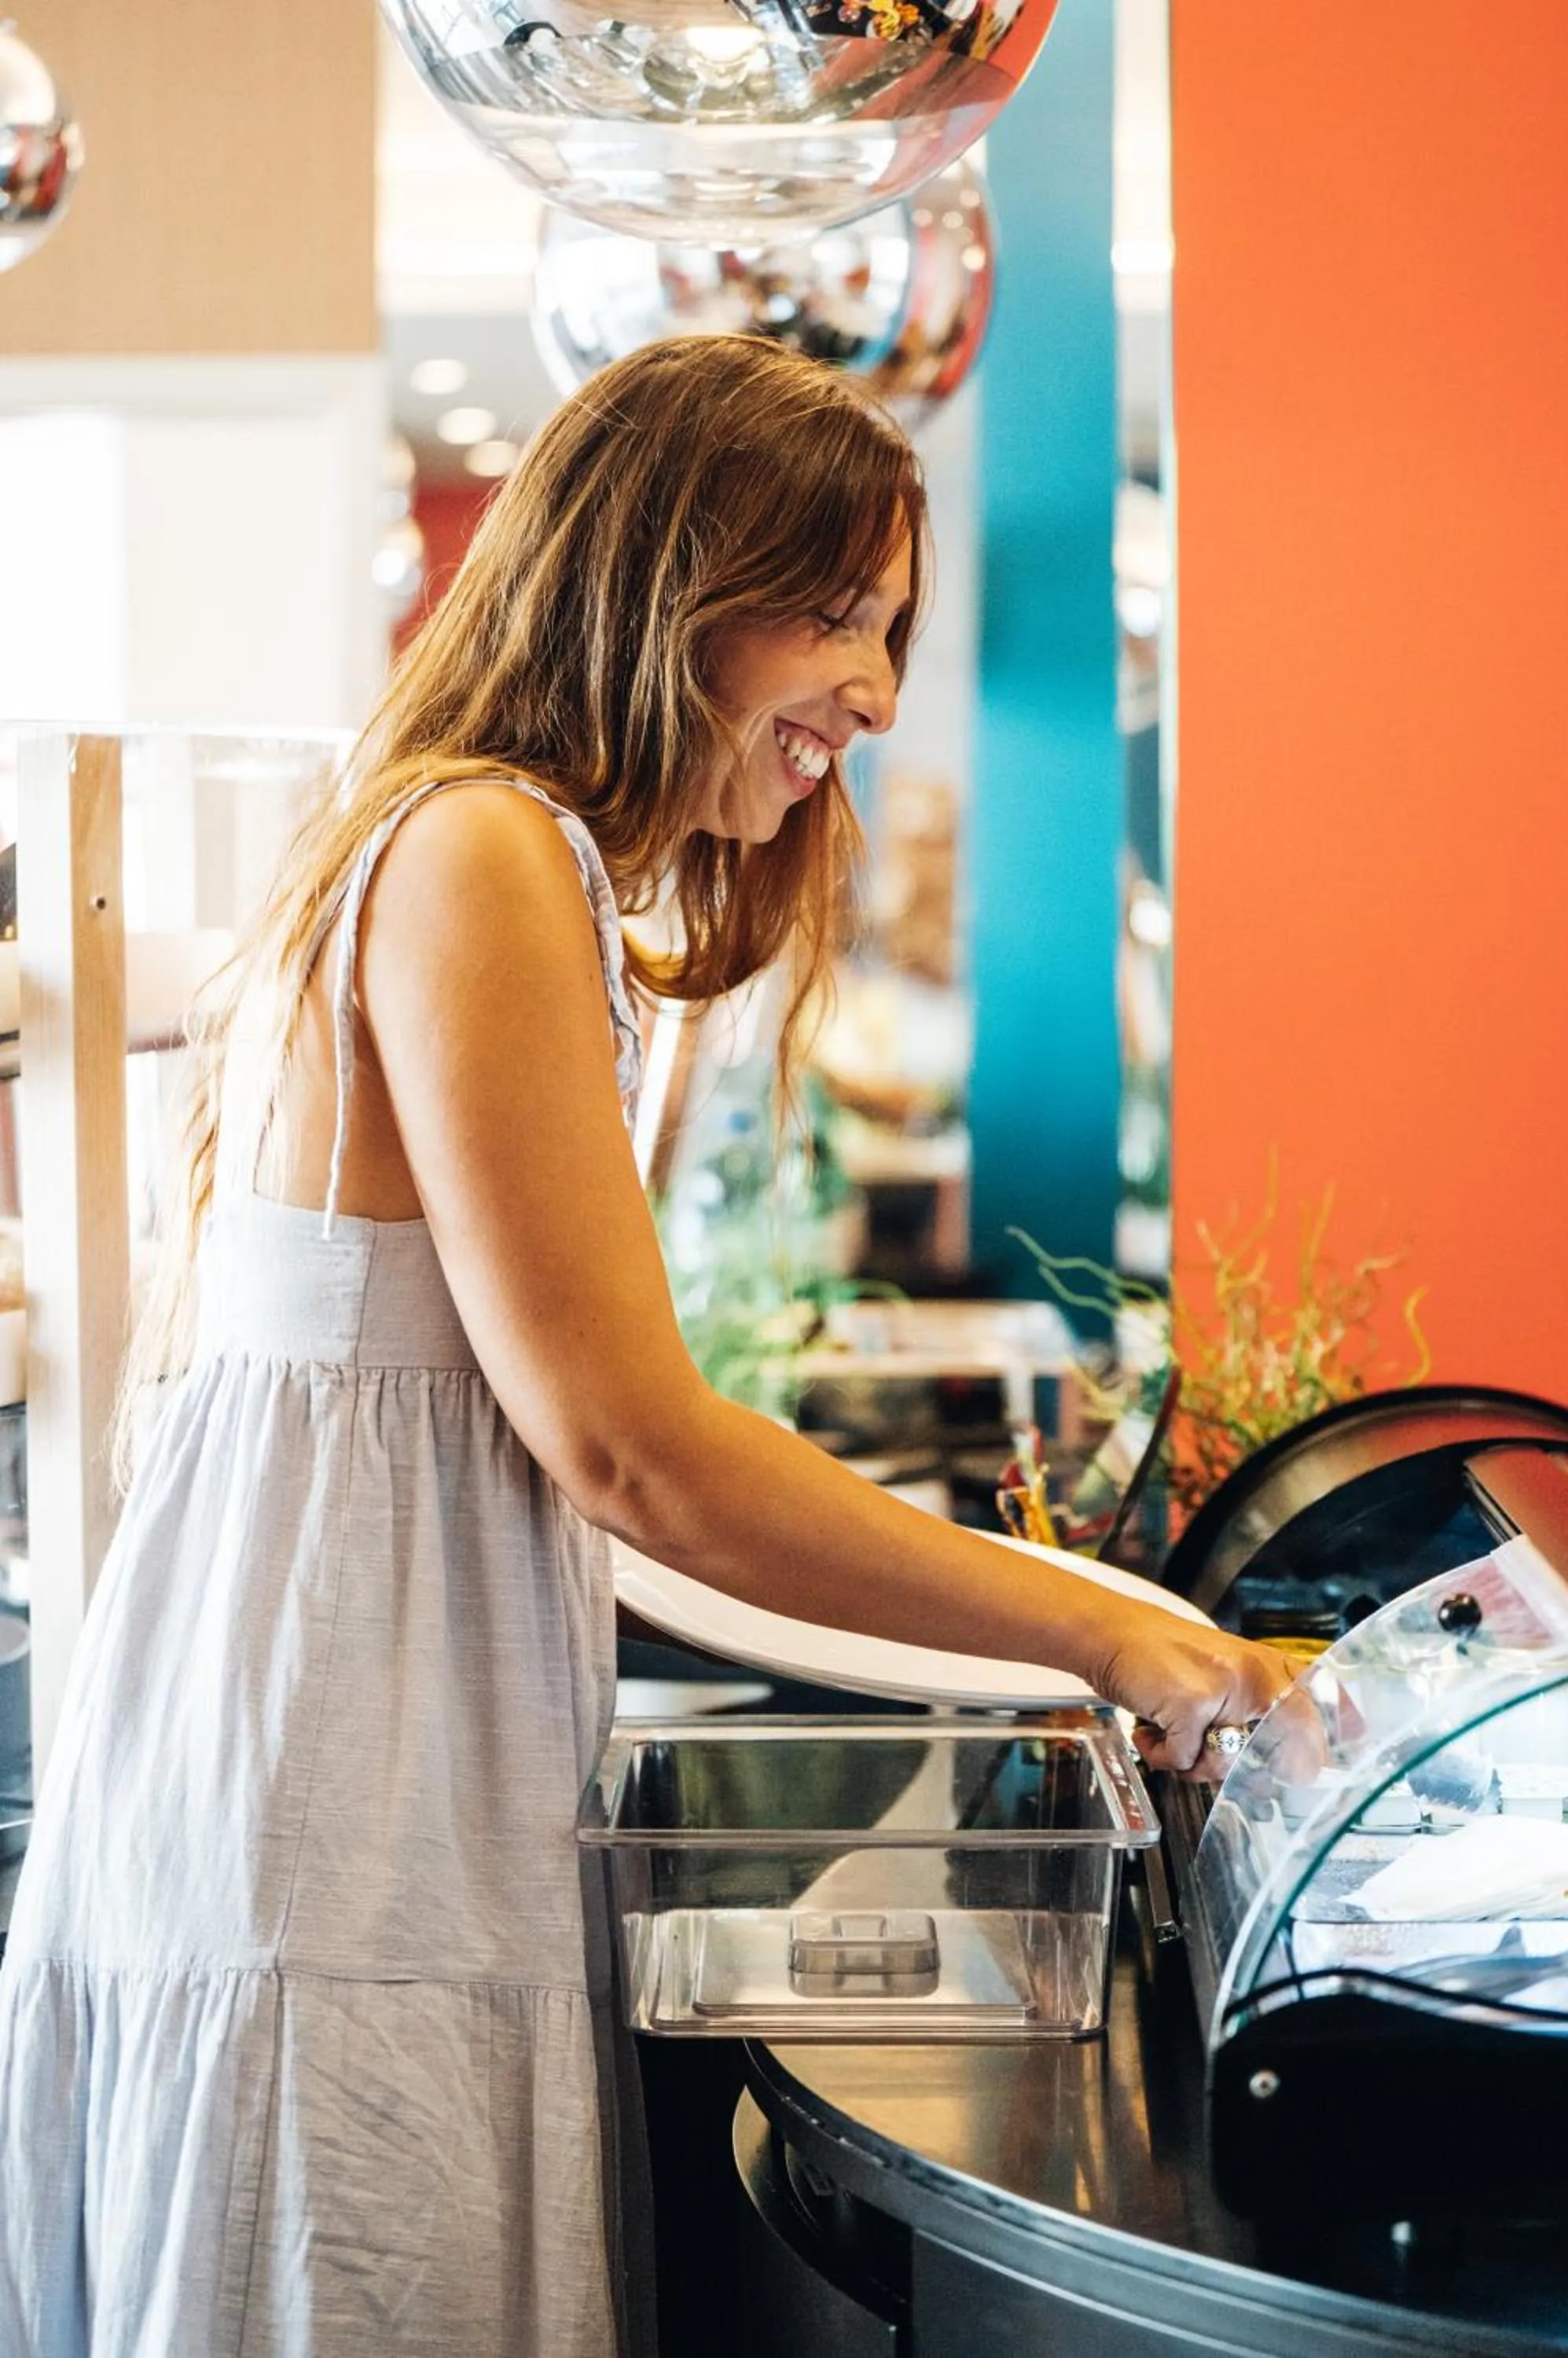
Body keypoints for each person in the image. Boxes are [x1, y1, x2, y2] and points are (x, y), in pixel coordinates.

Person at [0, 334, 1291, 2357]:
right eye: (836, 615)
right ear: (666, 582)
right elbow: (633, 1452)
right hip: (336, 1806)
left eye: (888, 630)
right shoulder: (483, 849)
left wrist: (1076, 1625)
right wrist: (1114, 1640)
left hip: (358, 1771)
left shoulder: (478, 846)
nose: (876, 692)